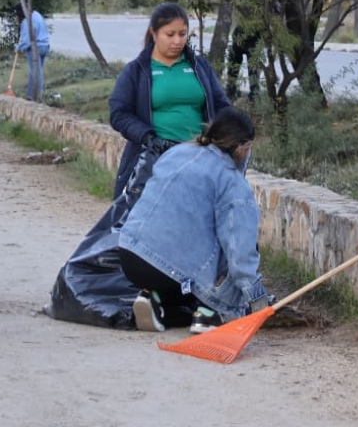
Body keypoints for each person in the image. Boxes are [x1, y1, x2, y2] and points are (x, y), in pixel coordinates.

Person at [116, 107, 271, 333]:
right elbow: (241, 252)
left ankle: (155, 300)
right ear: (242, 147)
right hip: (172, 273)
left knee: (182, 279)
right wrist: (256, 297)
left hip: (130, 257)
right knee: (233, 243)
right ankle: (208, 312)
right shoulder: (233, 183)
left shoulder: (177, 153)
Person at [108, 2, 231, 200]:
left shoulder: (200, 67)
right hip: (154, 159)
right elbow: (119, 113)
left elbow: (221, 105)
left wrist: (228, 132)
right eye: (170, 34)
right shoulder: (136, 71)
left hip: (197, 157)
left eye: (182, 34)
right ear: (154, 33)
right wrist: (147, 137)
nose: (177, 41)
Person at [15, 4, 50, 100]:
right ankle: (30, 96)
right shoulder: (37, 15)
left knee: (35, 73)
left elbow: (26, 40)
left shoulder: (27, 21)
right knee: (36, 72)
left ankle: (37, 96)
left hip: (35, 48)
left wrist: (18, 48)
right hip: (45, 46)